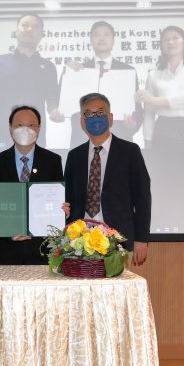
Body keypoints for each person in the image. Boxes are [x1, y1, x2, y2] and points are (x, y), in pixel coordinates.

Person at [64, 93, 150, 266]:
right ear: (82, 122)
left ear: (110, 118)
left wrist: (141, 239)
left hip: (118, 239)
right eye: (89, 114)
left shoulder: (130, 152)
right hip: (79, 241)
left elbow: (142, 198)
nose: (95, 118)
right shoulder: (74, 156)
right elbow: (68, 199)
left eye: (100, 112)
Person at [0, 14, 63, 154]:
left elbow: (52, 103)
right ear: (16, 31)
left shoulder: (48, 67)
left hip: (33, 139)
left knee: (32, 175)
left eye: (35, 27)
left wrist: (55, 112)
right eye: (25, 25)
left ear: (41, 35)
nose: (29, 29)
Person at [0, 105, 66, 265]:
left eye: (31, 125)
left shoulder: (53, 161)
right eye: (19, 125)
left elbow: (57, 199)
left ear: (39, 129)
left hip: (43, 249)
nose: (25, 130)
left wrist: (62, 210)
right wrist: (8, 231)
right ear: (10, 128)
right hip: (7, 249)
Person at [65, 21, 142, 147]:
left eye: (106, 34)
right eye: (96, 35)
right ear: (90, 40)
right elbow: (69, 106)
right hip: (84, 140)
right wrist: (68, 75)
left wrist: (132, 125)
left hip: (120, 138)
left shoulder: (128, 71)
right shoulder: (78, 71)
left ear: (113, 40)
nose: (101, 38)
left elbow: (137, 109)